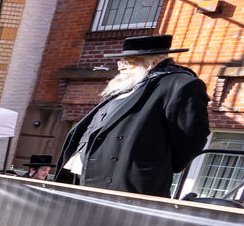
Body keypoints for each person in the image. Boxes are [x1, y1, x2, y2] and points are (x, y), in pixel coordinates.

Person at [55, 33, 210, 197]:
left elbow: (191, 137)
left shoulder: (181, 85)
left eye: (127, 61)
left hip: (124, 182)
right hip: (84, 175)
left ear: (152, 63)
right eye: (120, 61)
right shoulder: (128, 85)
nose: (120, 66)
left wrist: (152, 164)